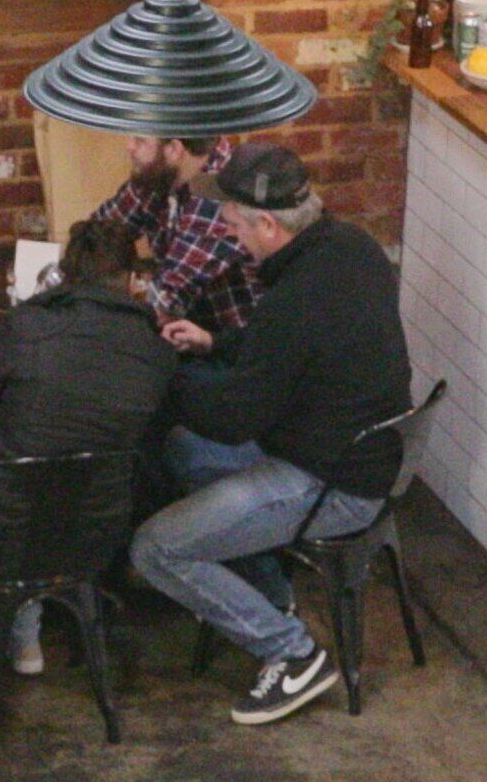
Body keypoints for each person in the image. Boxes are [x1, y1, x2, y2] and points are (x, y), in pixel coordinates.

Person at [129, 145, 412, 726]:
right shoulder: (350, 250)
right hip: (365, 453)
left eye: (232, 222)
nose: (228, 234)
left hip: (328, 483)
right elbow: (277, 350)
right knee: (185, 450)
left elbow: (235, 419)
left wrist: (162, 374)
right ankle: (269, 591)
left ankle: (292, 652)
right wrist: (211, 343)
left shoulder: (296, 299)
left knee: (156, 548)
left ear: (268, 224)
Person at [0, 217, 176, 674]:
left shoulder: (27, 325)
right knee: (38, 483)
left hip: (1, 532)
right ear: (133, 281)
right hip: (96, 535)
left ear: (64, 273)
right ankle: (26, 638)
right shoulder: (156, 350)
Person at [85, 130, 258, 335]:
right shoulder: (161, 171)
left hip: (229, 347)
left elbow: (165, 301)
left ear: (175, 149)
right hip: (189, 334)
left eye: (139, 140)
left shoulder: (221, 190)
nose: (129, 146)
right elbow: (95, 237)